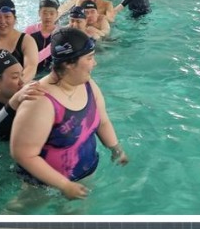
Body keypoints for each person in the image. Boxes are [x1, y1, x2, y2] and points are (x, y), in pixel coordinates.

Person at [10, 27, 128, 201]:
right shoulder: (39, 101)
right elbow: (23, 154)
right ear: (69, 63)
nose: (95, 63)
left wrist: (116, 149)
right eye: (89, 58)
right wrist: (64, 185)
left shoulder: (87, 84)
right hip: (44, 186)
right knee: (17, 213)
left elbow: (102, 121)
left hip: (83, 176)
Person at [25, 0, 61, 75]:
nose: (48, 17)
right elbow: (25, 58)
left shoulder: (61, 33)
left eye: (51, 13)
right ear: (39, 13)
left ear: (57, 14)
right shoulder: (30, 31)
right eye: (44, 13)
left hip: (52, 75)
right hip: (31, 73)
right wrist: (52, 46)